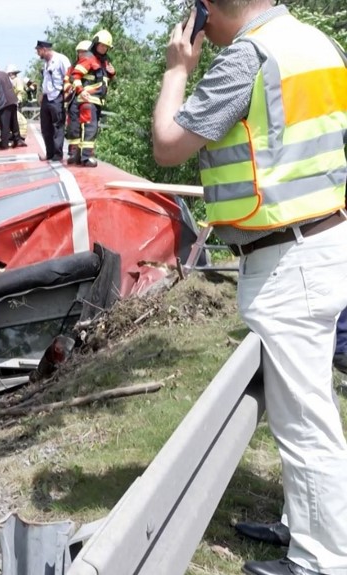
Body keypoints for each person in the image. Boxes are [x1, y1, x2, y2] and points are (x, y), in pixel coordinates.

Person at [152, 1, 347, 574]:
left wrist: (176, 69)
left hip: (289, 258)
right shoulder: (317, 43)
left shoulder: (248, 59)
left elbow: (168, 144)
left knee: (305, 420)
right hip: (326, 237)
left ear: (207, 10)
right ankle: (301, 522)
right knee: (309, 402)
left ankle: (322, 561)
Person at [66, 30, 116, 167]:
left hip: (97, 100)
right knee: (90, 128)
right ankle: (86, 158)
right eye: (102, 45)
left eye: (106, 47)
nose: (104, 48)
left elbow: (101, 78)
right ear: (95, 44)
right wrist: (81, 91)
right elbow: (75, 76)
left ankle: (79, 156)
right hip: (88, 100)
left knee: (89, 128)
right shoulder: (89, 57)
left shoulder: (103, 61)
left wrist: (112, 73)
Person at [36, 40, 71, 162]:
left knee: (57, 126)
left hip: (57, 96)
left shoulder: (61, 60)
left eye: (39, 50)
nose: (37, 53)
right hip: (47, 97)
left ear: (44, 49)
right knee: (45, 127)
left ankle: (57, 154)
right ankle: (49, 153)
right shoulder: (46, 63)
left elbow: (69, 76)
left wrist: (66, 95)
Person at [0, 61, 22, 148]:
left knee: (4, 125)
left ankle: (4, 144)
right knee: (14, 122)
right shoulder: (4, 74)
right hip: (13, 101)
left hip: (4, 103)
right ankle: (17, 140)